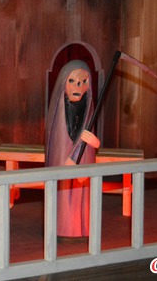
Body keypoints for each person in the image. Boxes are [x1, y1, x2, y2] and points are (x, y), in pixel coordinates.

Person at [45, 60, 100, 239]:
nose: (78, 86)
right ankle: (61, 227)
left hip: (80, 169)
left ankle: (80, 227)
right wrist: (65, 158)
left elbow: (88, 140)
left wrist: (93, 142)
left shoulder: (88, 109)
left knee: (80, 195)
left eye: (83, 82)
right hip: (63, 164)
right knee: (62, 194)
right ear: (63, 84)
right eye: (72, 81)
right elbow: (58, 143)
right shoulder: (59, 112)